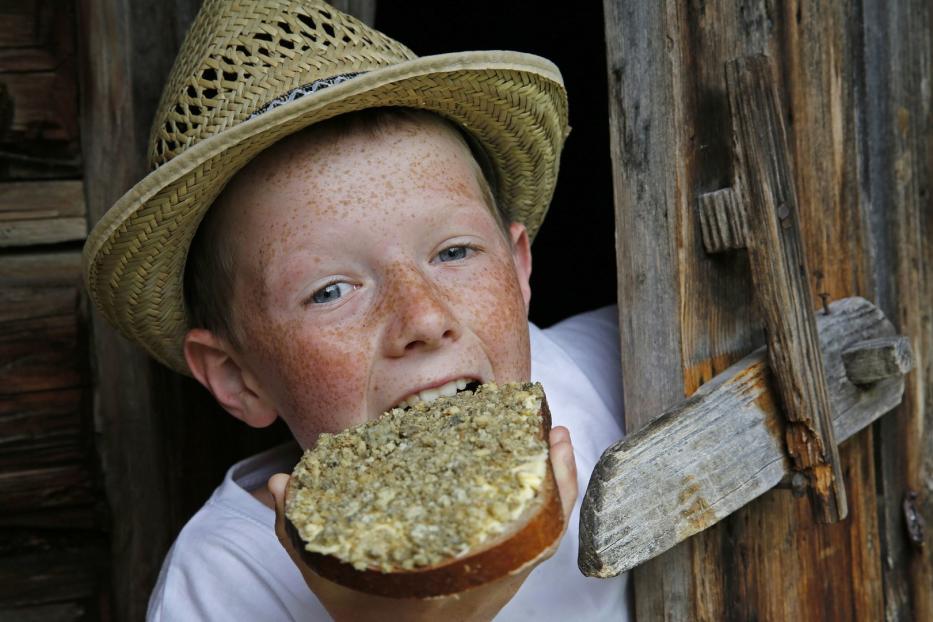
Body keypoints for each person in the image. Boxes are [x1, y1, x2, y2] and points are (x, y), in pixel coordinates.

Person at [82, 1, 630, 619]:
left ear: (519, 268)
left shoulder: (618, 374)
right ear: (238, 377)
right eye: (331, 291)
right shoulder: (221, 585)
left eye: (454, 251)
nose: (423, 318)